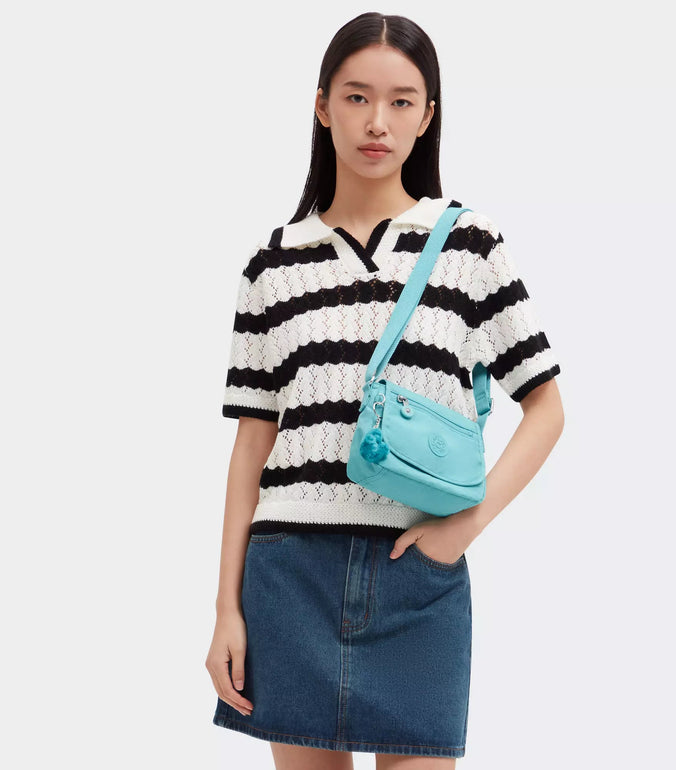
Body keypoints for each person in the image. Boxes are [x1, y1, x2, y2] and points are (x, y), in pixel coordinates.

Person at [206, 11, 564, 769]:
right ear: (322, 106)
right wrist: (226, 608)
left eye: (402, 101)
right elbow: (252, 444)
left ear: (427, 115)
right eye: (357, 97)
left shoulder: (469, 245)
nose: (378, 121)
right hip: (290, 574)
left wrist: (462, 529)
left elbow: (546, 407)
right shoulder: (271, 266)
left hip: (418, 575)